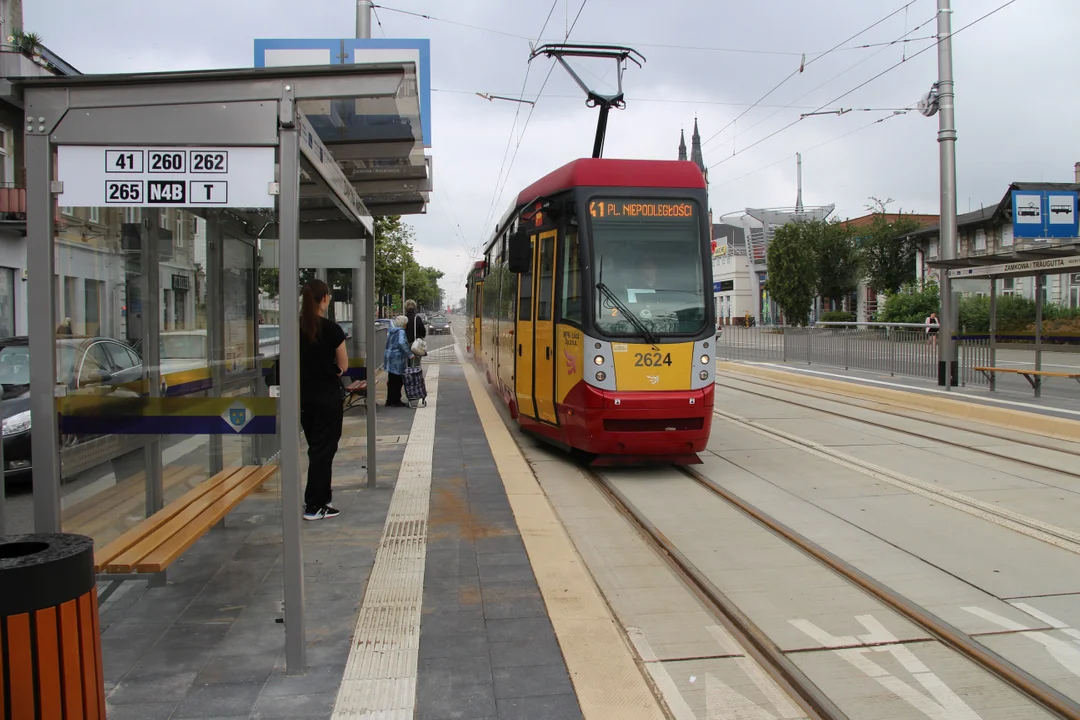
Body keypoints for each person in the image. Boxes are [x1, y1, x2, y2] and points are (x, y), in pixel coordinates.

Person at [299, 279, 347, 521]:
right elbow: (343, 365)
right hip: (327, 397)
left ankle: (322, 497)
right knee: (323, 451)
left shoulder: (295, 327)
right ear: (325, 298)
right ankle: (314, 505)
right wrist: (330, 373)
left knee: (315, 448)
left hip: (305, 398)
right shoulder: (331, 329)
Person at [384, 315, 412, 407]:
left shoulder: (391, 331)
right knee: (398, 380)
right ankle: (395, 400)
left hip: (389, 356)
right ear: (404, 324)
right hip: (397, 358)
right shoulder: (401, 332)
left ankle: (389, 400)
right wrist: (409, 354)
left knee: (391, 379)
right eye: (406, 324)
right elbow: (401, 343)